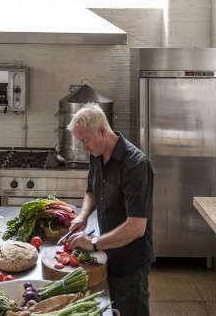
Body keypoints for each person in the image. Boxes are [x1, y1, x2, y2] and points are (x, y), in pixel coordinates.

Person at [66, 103, 154, 316]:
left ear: (103, 132)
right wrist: (83, 215)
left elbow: (136, 227)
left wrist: (93, 243)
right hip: (106, 252)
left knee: (131, 310)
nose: (83, 147)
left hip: (130, 261)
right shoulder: (96, 154)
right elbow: (91, 191)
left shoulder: (135, 165)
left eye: (85, 140)